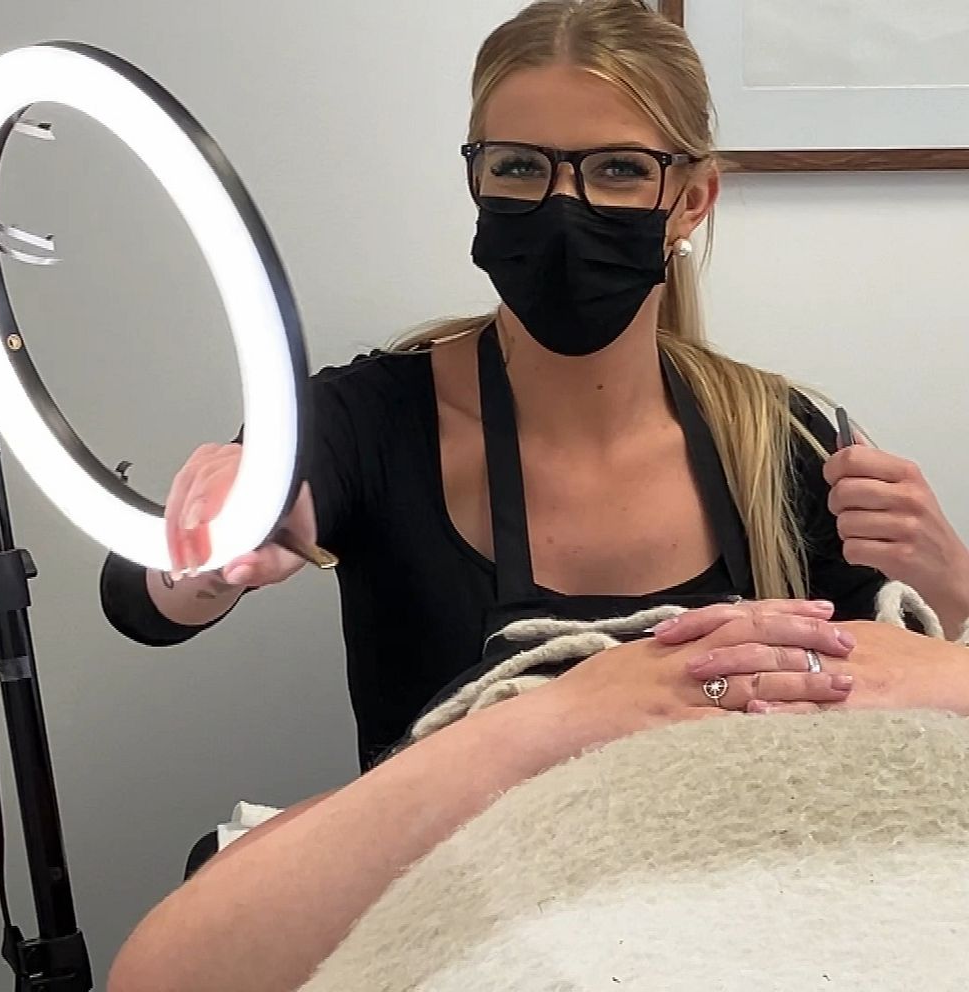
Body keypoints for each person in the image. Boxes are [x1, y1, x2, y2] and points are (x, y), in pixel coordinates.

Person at [100, 0, 969, 775]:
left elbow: (886, 706)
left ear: (692, 200)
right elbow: (141, 603)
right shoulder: (370, 422)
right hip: (457, 893)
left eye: (618, 169)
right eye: (519, 167)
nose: (563, 205)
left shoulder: (785, 442)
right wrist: (214, 547)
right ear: (476, 178)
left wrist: (954, 584)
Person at [107, 605, 969, 992]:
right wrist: (554, 716)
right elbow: (166, 975)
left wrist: (947, 661)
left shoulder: (791, 433)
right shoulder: (509, 715)